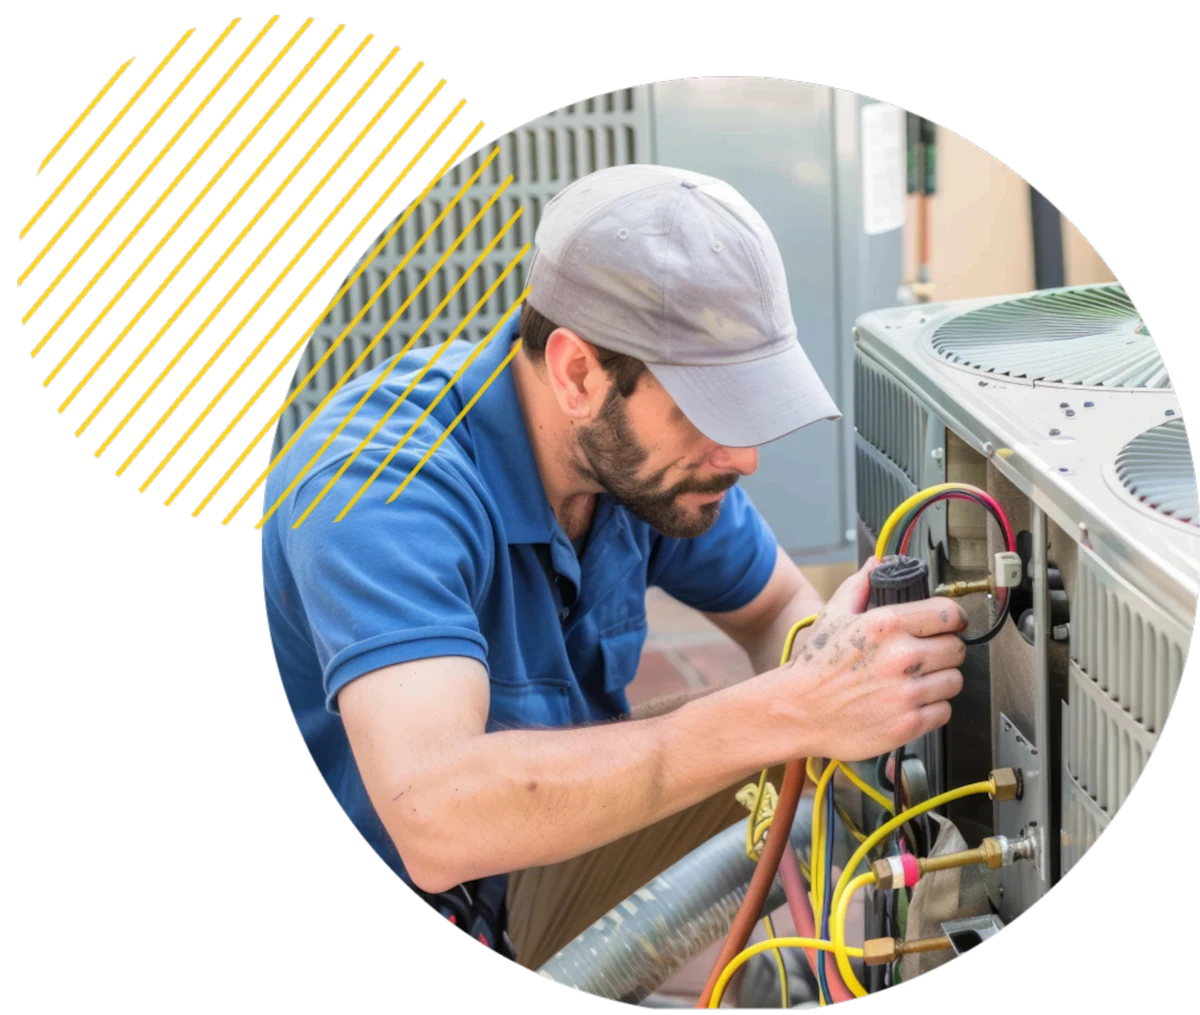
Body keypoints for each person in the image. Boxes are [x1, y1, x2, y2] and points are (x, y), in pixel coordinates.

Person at [260, 163, 968, 973]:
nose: (742, 457)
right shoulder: (383, 482)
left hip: (526, 856)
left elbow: (776, 606)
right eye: (712, 411)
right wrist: (793, 705)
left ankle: (817, 968)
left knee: (814, 751)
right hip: (433, 867)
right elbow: (437, 816)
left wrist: (830, 659)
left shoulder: (643, 464)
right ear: (577, 374)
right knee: (773, 724)